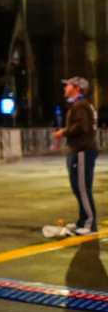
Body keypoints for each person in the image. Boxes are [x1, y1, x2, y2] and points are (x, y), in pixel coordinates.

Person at [53, 76, 97, 236]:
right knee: (78, 187)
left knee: (82, 188)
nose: (65, 88)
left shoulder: (80, 106)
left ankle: (89, 223)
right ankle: (83, 220)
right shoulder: (81, 105)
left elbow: (81, 126)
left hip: (81, 151)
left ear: (77, 88)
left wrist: (63, 132)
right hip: (80, 151)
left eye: (68, 85)